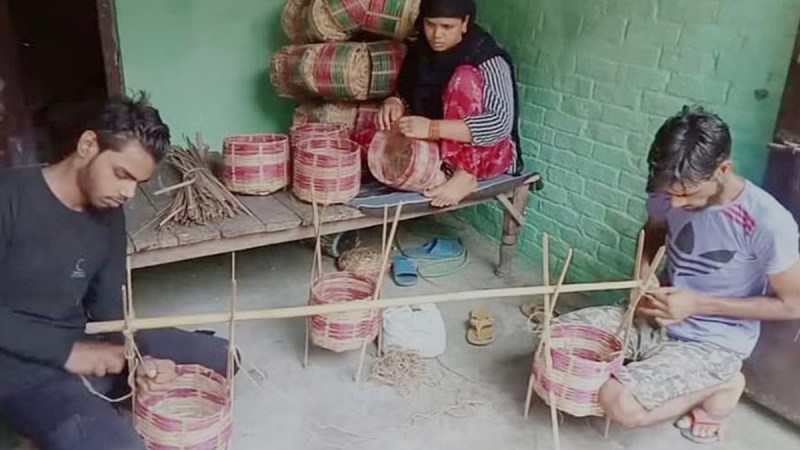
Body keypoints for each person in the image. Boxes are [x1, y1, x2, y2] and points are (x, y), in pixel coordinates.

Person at [551, 106, 800, 444]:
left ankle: (724, 383)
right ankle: (651, 369)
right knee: (556, 343)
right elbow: (653, 233)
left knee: (617, 401)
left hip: (713, 339)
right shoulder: (667, 190)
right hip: (656, 314)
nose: (676, 204)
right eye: (670, 194)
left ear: (723, 170)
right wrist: (644, 274)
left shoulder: (768, 222)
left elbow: (792, 305)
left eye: (686, 193)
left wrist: (697, 304)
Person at [0, 93, 234, 450]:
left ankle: (114, 394)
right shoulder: (9, 197)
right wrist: (68, 352)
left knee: (223, 360)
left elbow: (110, 307)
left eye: (137, 184)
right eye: (121, 174)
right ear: (88, 144)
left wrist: (139, 360)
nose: (127, 193)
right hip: (16, 368)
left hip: (82, 341)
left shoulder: (109, 214)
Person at [376, 0, 524, 207]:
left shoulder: (487, 58)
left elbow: (499, 125)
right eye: (430, 25)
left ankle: (465, 176)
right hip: (443, 150)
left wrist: (432, 128)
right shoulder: (421, 51)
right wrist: (396, 102)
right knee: (375, 137)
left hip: (489, 155)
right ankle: (447, 169)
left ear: (465, 23)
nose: (437, 35)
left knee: (464, 77)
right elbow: (410, 91)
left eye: (447, 27)